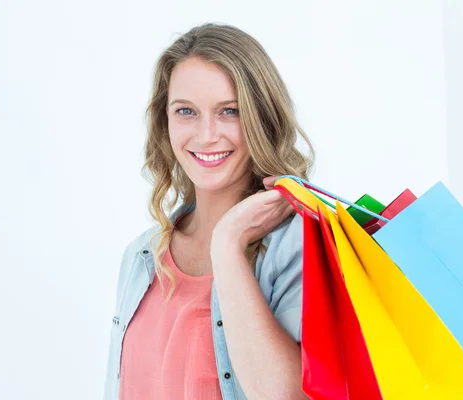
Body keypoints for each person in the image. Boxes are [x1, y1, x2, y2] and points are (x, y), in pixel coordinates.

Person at [104, 22, 314, 400]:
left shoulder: (298, 248)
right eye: (186, 111)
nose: (206, 135)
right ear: (164, 120)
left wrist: (229, 245)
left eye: (229, 111)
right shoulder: (142, 257)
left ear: (261, 117)